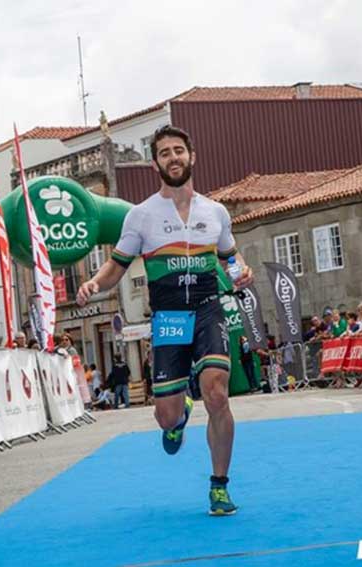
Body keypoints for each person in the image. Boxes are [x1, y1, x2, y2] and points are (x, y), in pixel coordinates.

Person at [76, 125, 253, 516]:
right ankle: (178, 415)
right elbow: (116, 266)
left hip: (209, 307)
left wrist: (242, 268)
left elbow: (230, 257)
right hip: (169, 316)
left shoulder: (216, 212)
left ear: (192, 156)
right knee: (166, 416)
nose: (173, 158)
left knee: (218, 393)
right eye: (165, 153)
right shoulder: (141, 216)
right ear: (156, 163)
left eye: (179, 150)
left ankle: (219, 486)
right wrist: (93, 283)